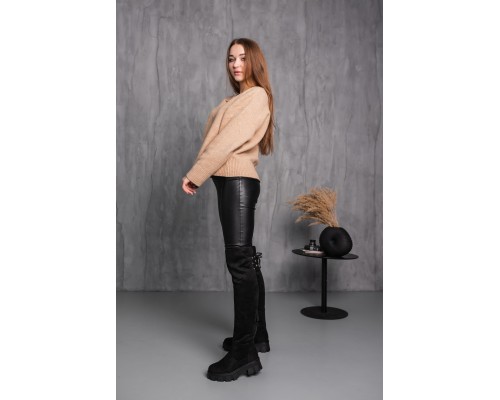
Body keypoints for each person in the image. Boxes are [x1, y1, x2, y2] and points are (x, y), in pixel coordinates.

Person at [181, 38, 275, 382]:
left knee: (239, 262)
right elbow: (216, 138)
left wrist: (196, 173)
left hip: (236, 181)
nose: (235, 64)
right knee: (246, 258)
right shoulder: (236, 99)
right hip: (231, 181)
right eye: (231, 58)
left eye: (242, 58)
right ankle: (257, 335)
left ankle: (244, 352)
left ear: (254, 62)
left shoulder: (256, 96)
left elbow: (225, 142)